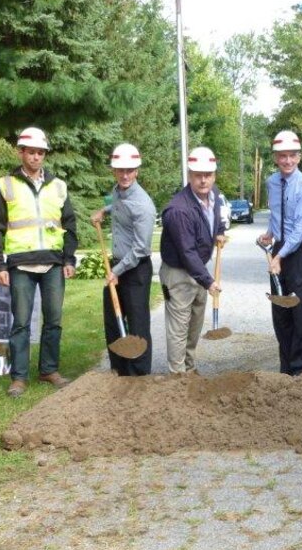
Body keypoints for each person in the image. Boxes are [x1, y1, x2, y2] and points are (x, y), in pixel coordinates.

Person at [0, 126, 77, 397]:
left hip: (53, 262)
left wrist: (69, 258)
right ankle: (19, 377)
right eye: (31, 152)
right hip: (20, 264)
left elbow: (70, 224)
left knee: (54, 320)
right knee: (21, 322)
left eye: (40, 152)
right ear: (21, 152)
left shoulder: (58, 186)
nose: (36, 157)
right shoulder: (5, 185)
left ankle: (49, 369)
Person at [256, 129, 302, 375]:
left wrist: (279, 257)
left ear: (299, 157)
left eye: (292, 156)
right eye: (282, 156)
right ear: (275, 157)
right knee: (281, 313)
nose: (287, 161)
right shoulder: (272, 182)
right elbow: (278, 215)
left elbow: (300, 227)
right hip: (281, 247)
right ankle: (286, 372)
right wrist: (270, 235)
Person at [159, 146, 227, 374]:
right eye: (198, 175)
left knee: (195, 323)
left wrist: (219, 230)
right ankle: (177, 377)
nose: (203, 180)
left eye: (207, 175)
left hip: (198, 269)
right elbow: (187, 252)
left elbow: (218, 216)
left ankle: (189, 369)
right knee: (179, 327)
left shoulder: (215, 194)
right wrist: (208, 281)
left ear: (214, 175)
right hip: (178, 273)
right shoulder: (179, 210)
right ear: (190, 175)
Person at [90, 143, 156, 376]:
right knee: (113, 319)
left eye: (130, 170)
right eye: (120, 170)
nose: (125, 175)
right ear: (114, 171)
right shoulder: (116, 190)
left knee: (137, 325)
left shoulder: (143, 205)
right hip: (118, 265)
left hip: (135, 269)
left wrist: (116, 271)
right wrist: (103, 210)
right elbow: (113, 202)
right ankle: (118, 370)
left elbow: (140, 249)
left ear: (137, 170)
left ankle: (139, 374)